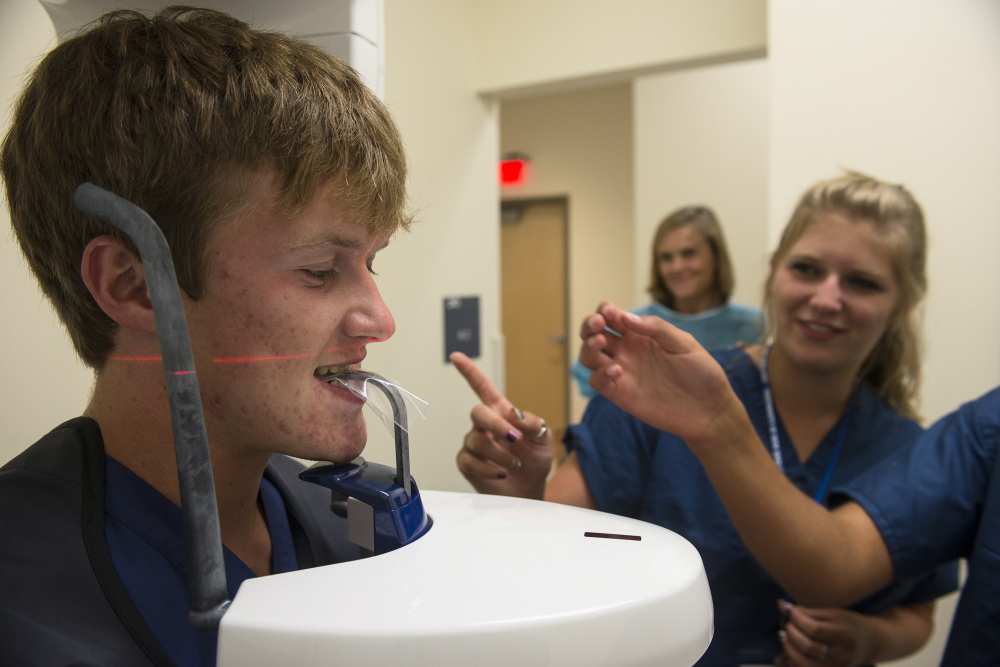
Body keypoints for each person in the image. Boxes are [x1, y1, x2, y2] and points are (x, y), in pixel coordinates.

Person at [0, 7, 410, 666]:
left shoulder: (361, 525)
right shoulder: (23, 609)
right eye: (319, 270)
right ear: (134, 286)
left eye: (371, 262)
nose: (381, 319)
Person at [455, 173, 959, 666]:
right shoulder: (668, 394)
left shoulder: (909, 451)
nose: (826, 298)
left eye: (863, 282)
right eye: (806, 269)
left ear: (903, 303)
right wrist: (522, 494)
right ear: (774, 270)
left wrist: (868, 639)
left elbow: (917, 614)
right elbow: (559, 532)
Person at [572, 205, 762, 398]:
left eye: (688, 254)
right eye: (666, 258)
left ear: (715, 256)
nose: (677, 267)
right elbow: (588, 378)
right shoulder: (635, 324)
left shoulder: (755, 325)